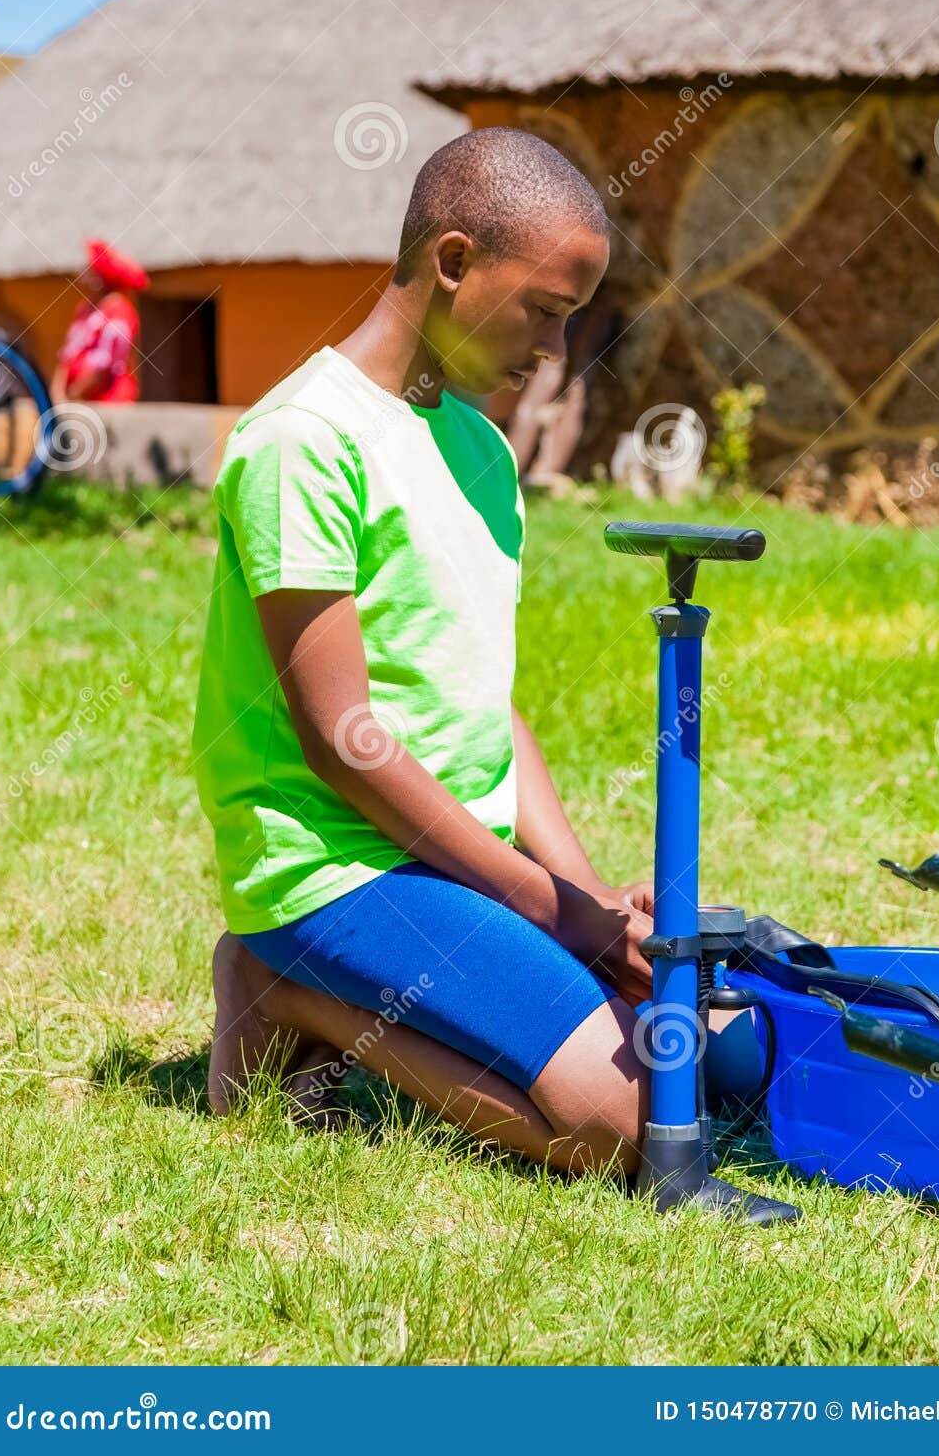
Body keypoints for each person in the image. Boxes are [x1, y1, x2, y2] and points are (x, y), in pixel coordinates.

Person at [193, 127, 660, 1177]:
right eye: (543, 310)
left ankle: (345, 1002)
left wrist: (586, 900)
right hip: (333, 860)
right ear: (451, 262)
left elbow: (486, 707)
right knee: (626, 1128)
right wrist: (549, 911)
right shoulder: (304, 440)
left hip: (454, 861)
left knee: (699, 1059)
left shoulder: (480, 450)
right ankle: (282, 985)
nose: (551, 348)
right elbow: (338, 739)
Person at [50, 239, 148, 406]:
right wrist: (58, 395)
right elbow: (68, 356)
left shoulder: (119, 312)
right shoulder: (85, 310)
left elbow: (102, 367)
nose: (83, 275)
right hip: (76, 402)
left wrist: (73, 395)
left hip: (106, 403)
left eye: (89, 270)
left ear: (99, 279)